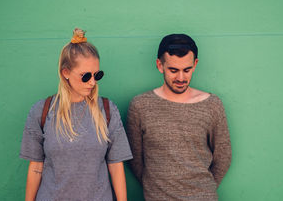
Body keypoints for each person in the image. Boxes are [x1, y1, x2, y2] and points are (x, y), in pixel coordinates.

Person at [20, 28, 133, 201]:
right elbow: (36, 166)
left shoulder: (107, 110)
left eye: (97, 75)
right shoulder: (42, 111)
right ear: (65, 72)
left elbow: (116, 165)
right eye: (85, 76)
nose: (92, 82)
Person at [126, 34, 232, 201]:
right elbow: (135, 160)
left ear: (195, 64)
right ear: (160, 65)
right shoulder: (140, 106)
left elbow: (223, 156)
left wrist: (203, 190)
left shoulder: (211, 105)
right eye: (173, 70)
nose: (181, 78)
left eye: (187, 70)